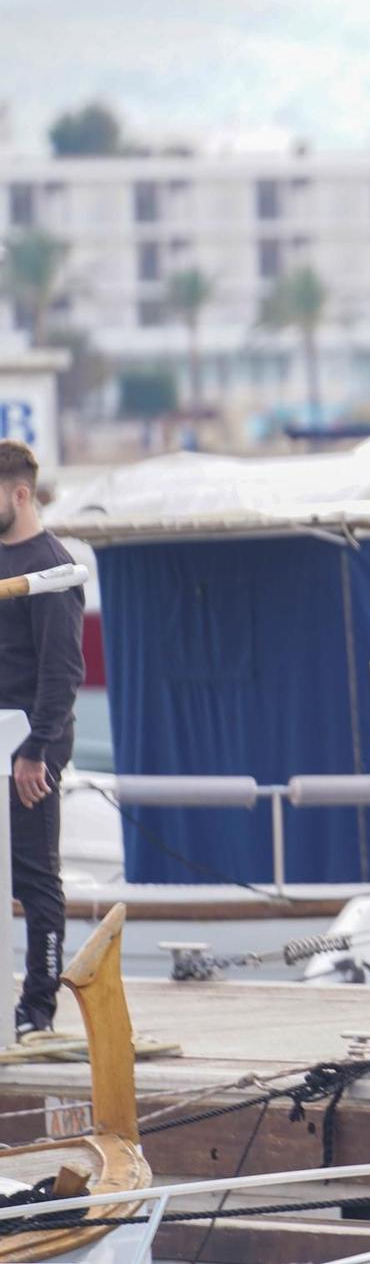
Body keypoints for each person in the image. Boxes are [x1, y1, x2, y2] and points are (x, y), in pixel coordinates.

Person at [0, 442, 82, 1040]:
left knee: (34, 877)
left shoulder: (52, 567)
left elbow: (64, 673)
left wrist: (35, 751)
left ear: (19, 494)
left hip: (34, 745)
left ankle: (39, 1007)